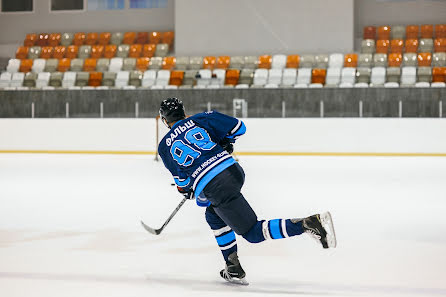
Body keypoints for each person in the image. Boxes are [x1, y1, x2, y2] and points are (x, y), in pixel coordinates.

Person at [157, 98, 336, 285]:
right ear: (184, 112)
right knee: (213, 214)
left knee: (253, 233)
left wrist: (187, 191)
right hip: (233, 171)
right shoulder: (201, 119)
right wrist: (226, 142)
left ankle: (309, 223)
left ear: (164, 120)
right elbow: (239, 127)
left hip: (217, 187)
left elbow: (183, 182)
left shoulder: (164, 147)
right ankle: (233, 267)